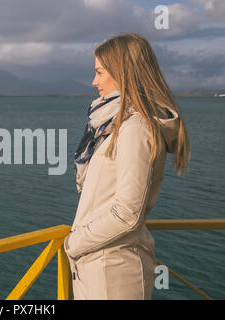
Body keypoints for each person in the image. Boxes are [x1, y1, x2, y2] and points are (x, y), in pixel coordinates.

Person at [64, 32, 191, 300]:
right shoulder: (114, 126)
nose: (93, 81)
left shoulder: (136, 128)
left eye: (100, 72)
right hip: (101, 264)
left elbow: (126, 213)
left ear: (123, 72)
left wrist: (73, 243)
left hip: (113, 273)